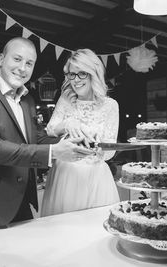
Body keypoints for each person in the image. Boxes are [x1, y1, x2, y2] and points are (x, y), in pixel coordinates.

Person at [0, 37, 94, 227]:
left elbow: (36, 138)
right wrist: (54, 153)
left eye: (29, 63)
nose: (22, 68)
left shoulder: (26, 100)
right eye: (17, 59)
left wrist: (72, 142)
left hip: (20, 202)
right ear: (0, 59)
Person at [41, 48, 120, 216]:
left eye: (81, 74)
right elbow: (50, 131)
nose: (75, 80)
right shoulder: (65, 99)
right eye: (71, 74)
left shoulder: (110, 105)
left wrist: (99, 147)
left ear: (94, 73)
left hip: (96, 177)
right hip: (66, 174)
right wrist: (67, 123)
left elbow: (111, 151)